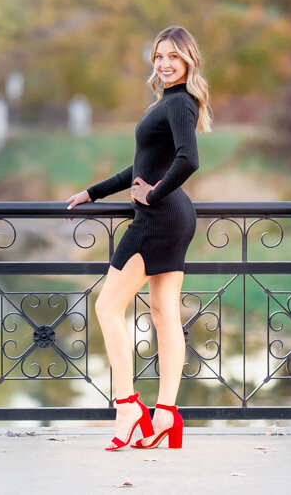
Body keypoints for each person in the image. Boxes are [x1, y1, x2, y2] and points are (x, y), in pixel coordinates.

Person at [65, 26, 212, 451]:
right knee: (165, 315)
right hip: (173, 216)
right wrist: (93, 192)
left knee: (108, 306)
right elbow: (141, 168)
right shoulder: (168, 102)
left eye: (174, 57)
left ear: (188, 61)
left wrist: (153, 194)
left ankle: (128, 406)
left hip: (158, 219)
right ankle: (165, 414)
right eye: (159, 57)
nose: (165, 64)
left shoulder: (180, 102)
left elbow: (189, 160)